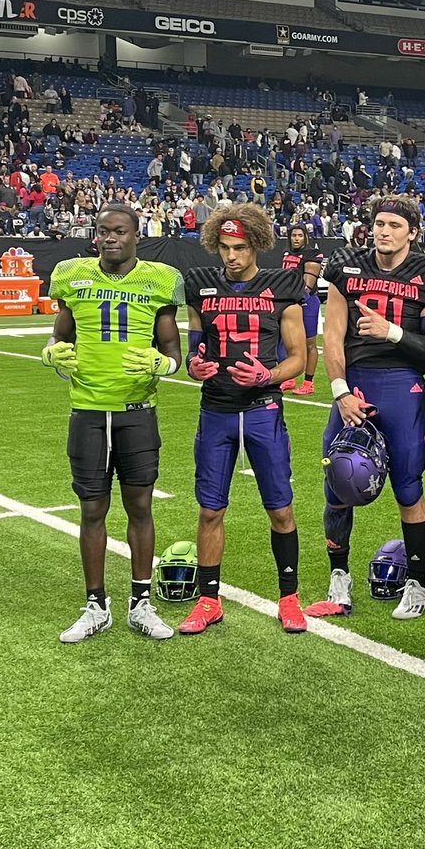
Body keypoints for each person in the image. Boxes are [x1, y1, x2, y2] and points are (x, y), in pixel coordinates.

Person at [43, 202, 184, 643]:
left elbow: (173, 349)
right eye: (103, 231)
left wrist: (163, 365)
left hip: (137, 413)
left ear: (135, 235)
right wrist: (52, 353)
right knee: (91, 509)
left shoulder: (159, 279)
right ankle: (96, 605)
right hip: (87, 411)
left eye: (119, 231)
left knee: (140, 507)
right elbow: (60, 335)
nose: (110, 238)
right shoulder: (73, 275)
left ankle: (140, 602)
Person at [311, 195, 425, 621]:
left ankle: (417, 583)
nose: (384, 231)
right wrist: (340, 390)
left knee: (408, 487)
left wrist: (392, 333)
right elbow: (332, 335)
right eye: (379, 223)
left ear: (411, 231)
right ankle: (339, 581)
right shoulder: (347, 266)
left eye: (394, 225)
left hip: (400, 385)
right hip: (354, 386)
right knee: (337, 485)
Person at [178, 204, 308, 636]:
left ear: (257, 245)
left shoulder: (281, 286)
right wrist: (194, 366)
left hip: (261, 410)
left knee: (281, 510)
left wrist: (267, 375)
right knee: (210, 510)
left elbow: (299, 359)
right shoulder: (201, 286)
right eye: (225, 247)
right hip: (216, 409)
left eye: (240, 247)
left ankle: (289, 598)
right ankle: (208, 601)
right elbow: (196, 350)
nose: (231, 256)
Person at [279, 222, 324, 394]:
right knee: (287, 341)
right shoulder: (288, 253)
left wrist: (295, 297)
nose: (296, 239)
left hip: (306, 303)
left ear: (305, 237)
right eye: (293, 235)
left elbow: (307, 285)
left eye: (300, 235)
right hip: (290, 302)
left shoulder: (312, 254)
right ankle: (289, 378)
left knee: (309, 344)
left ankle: (308, 383)